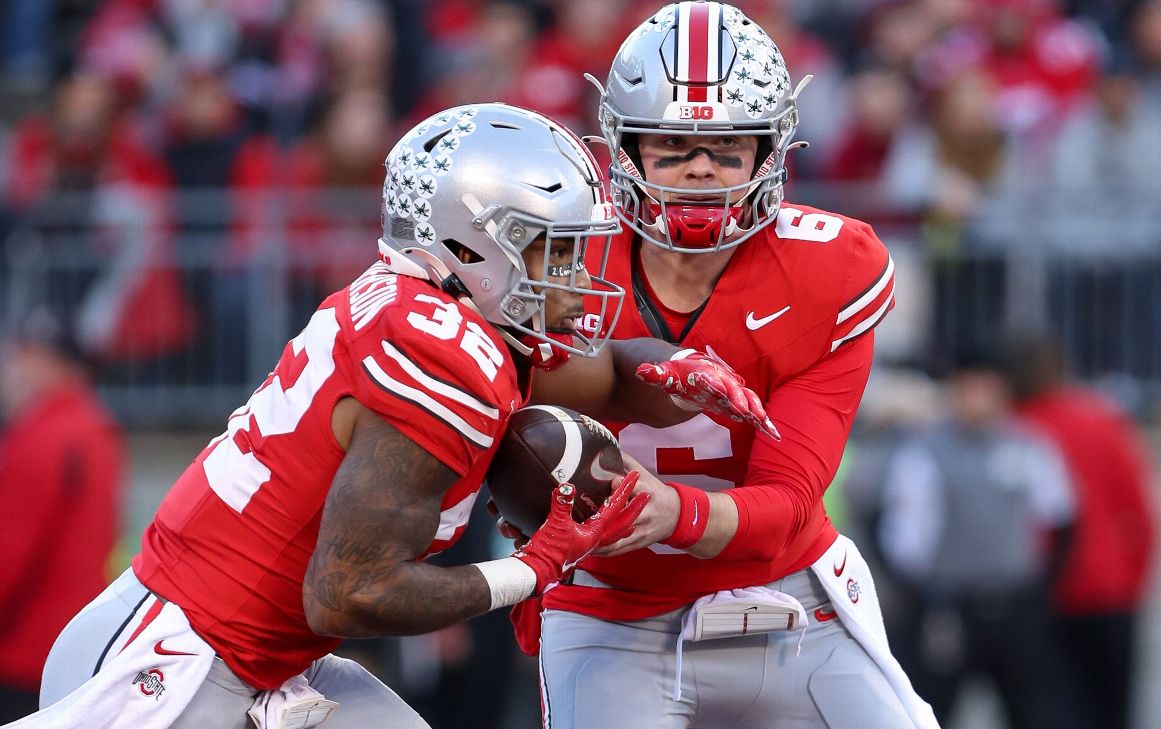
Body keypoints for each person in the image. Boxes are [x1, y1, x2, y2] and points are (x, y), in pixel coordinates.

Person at [12, 103, 765, 729]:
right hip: (176, 665)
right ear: (474, 245)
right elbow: (348, 591)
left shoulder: (441, 313)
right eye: (553, 252)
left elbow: (604, 375)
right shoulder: (447, 353)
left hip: (256, 656)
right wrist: (533, 569)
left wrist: (679, 368)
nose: (574, 280)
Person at [524, 4, 937, 728]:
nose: (702, 170)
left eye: (725, 146)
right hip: (613, 608)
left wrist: (667, 511)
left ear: (770, 149)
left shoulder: (829, 268)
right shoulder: (560, 263)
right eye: (674, 147)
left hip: (794, 597)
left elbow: (787, 505)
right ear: (623, 148)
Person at [876, 352, 1080, 729]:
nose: (977, 400)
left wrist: (1044, 587)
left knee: (1034, 708)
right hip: (950, 606)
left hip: (1014, 603)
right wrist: (922, 593)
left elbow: (1061, 515)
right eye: (968, 390)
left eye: (986, 389)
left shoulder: (1028, 444)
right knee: (934, 708)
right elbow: (903, 532)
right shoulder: (927, 450)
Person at [1009, 337, 1159, 729]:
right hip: (1108, 595)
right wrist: (1133, 583)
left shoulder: (1013, 428)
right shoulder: (1100, 420)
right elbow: (1141, 514)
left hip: (1041, 598)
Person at [0, 308, 125, 723]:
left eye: (22, 357)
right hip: (75, 648)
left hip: (22, 653)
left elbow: (9, 557)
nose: (12, 370)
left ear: (48, 363)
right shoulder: (97, 428)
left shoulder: (40, 435)